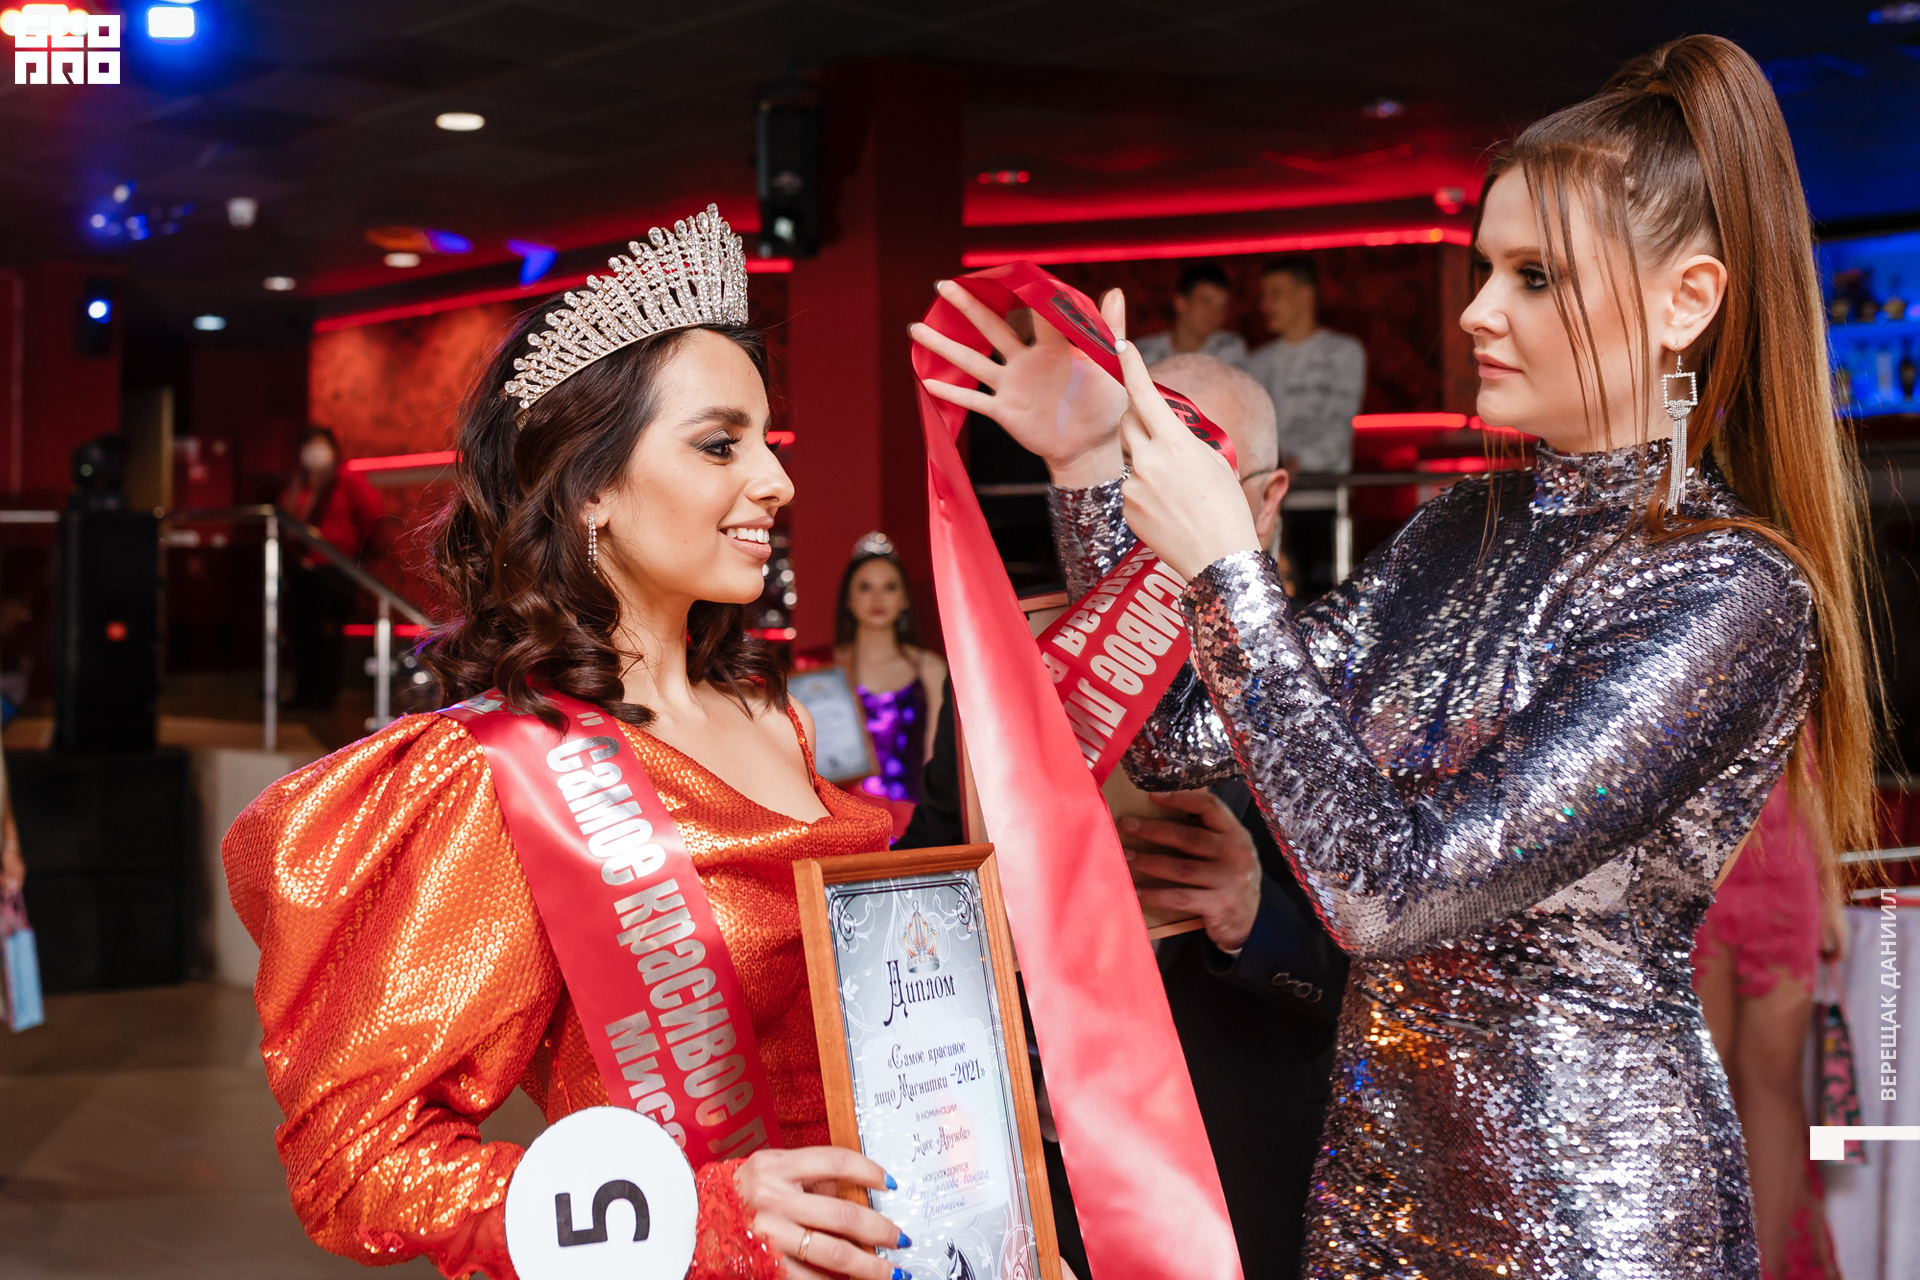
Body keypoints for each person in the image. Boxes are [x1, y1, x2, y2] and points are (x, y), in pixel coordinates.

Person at [916, 34, 1874, 1279]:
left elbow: (1395, 893)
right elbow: (1182, 737)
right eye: (1486, 268)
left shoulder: (1728, 588)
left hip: (1589, 1209)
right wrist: (1094, 470)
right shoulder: (1461, 525)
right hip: (1374, 1182)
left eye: (1537, 277)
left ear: (1685, 302)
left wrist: (1229, 567)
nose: (1477, 310)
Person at [225, 207, 909, 1280]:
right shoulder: (500, 770)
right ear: (591, 485)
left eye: (767, 442)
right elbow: (355, 1165)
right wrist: (697, 1215)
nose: (776, 480)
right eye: (720, 444)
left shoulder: (780, 717)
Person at [1693, 762, 1848, 1280]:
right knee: (1698, 1085)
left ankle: (1766, 1269)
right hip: (1691, 856)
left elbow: (1809, 756)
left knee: (1776, 1081)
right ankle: (1698, 1262)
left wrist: (1829, 886)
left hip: (1784, 853)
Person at [1241, 255, 1365, 598]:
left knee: (1324, 602)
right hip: (1265, 505)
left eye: (1275, 293)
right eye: (1264, 295)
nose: (1265, 305)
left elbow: (1339, 423)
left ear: (1305, 295)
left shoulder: (1343, 352)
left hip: (1324, 501)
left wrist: (1297, 460)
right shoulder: (1256, 362)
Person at [828, 534, 946, 808]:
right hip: (841, 820)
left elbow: (938, 766)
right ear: (848, 599)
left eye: (890, 587)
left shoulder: (930, 668)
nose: (877, 598)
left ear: (904, 599)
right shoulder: (822, 670)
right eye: (865, 587)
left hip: (913, 821)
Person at [278, 427, 386, 710]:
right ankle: (304, 693)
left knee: (329, 635)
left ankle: (324, 698)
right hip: (302, 569)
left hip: (335, 569)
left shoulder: (346, 480)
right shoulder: (297, 484)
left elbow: (372, 516)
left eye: (320, 444)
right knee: (303, 633)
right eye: (309, 444)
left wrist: (357, 555)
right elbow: (284, 519)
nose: (315, 451)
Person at [1131, 263, 1248, 368]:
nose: (1214, 314)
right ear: (1180, 303)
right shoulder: (1144, 353)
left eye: (1221, 307)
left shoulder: (1229, 348)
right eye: (1206, 302)